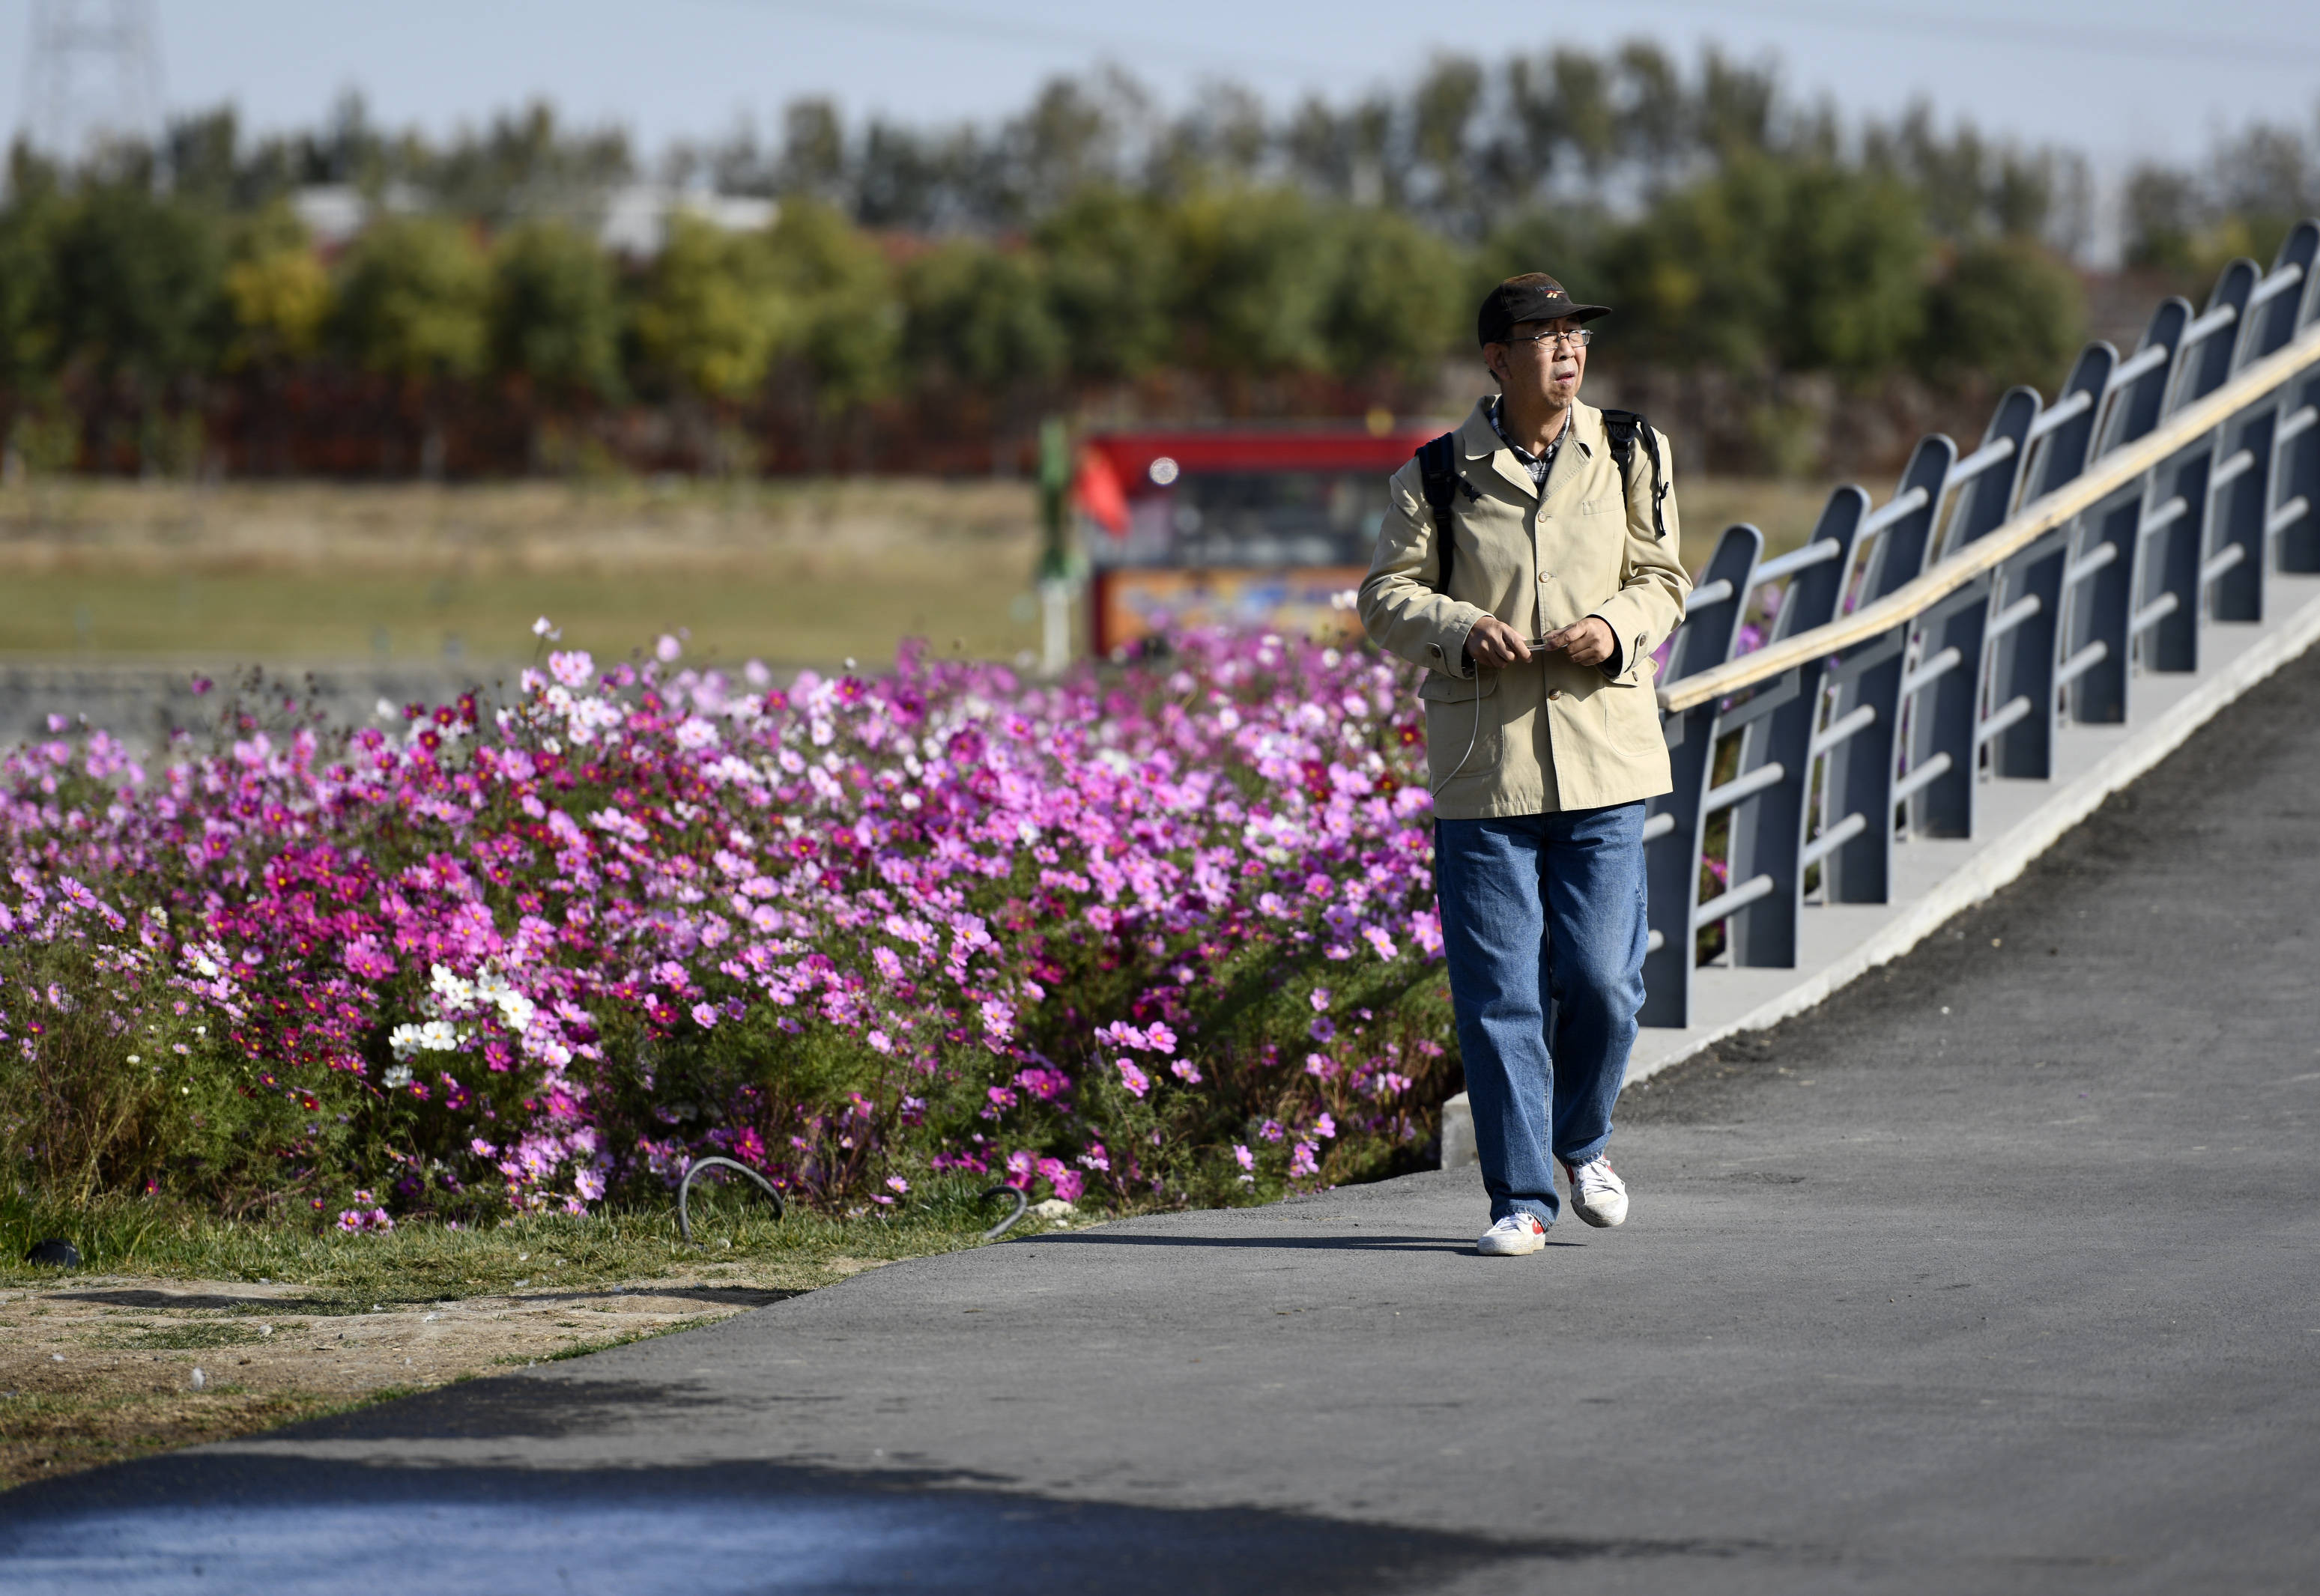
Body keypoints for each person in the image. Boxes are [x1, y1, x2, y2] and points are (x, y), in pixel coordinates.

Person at [1358, 273, 1691, 1257]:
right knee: (1498, 990)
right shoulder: (1433, 474)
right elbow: (1384, 595)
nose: (1565, 350)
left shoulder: (1631, 449)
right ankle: (1519, 1200)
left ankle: (1581, 1143)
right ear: (1495, 358)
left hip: (1605, 762)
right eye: (1541, 336)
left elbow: (1662, 579)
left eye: (1574, 335)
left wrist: (1614, 626)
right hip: (1484, 767)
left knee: (1601, 981)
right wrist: (1459, 630)